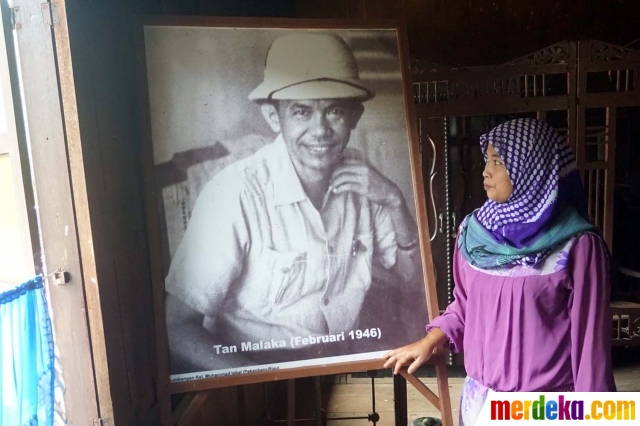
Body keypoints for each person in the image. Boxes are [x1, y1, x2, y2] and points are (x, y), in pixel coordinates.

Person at [165, 33, 424, 374]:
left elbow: (411, 284)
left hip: (342, 361)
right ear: (274, 118)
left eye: (334, 111)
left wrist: (395, 200)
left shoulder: (364, 179)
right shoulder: (234, 193)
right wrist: (263, 381)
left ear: (354, 117)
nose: (321, 131)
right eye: (302, 112)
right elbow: (177, 327)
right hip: (255, 369)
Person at [383, 118, 616, 425]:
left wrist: (599, 417)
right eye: (486, 160)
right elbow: (465, 306)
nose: (486, 171)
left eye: (498, 161)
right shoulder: (473, 233)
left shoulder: (577, 245)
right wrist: (429, 341)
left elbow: (591, 349)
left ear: (531, 167)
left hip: (546, 408)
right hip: (480, 402)